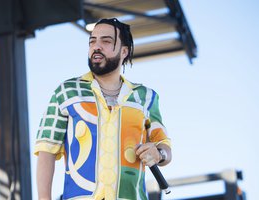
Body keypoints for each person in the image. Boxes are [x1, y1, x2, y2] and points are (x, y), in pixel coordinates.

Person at [34, 18, 172, 200]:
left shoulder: (145, 96)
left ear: (124, 51)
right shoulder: (66, 92)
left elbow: (165, 148)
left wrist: (159, 153)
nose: (96, 46)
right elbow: (46, 151)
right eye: (92, 41)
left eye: (106, 41)